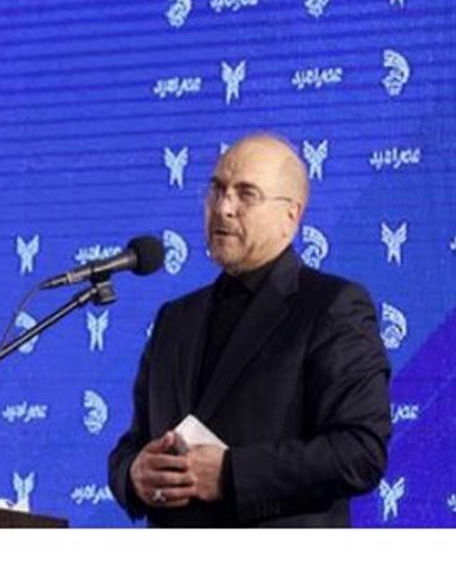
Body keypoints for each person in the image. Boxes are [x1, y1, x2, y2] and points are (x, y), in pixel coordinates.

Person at [107, 133, 391, 526]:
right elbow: (134, 443)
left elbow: (359, 452)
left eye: (246, 194)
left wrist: (231, 474)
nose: (223, 208)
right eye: (216, 190)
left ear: (291, 216)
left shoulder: (331, 307)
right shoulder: (174, 319)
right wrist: (133, 475)